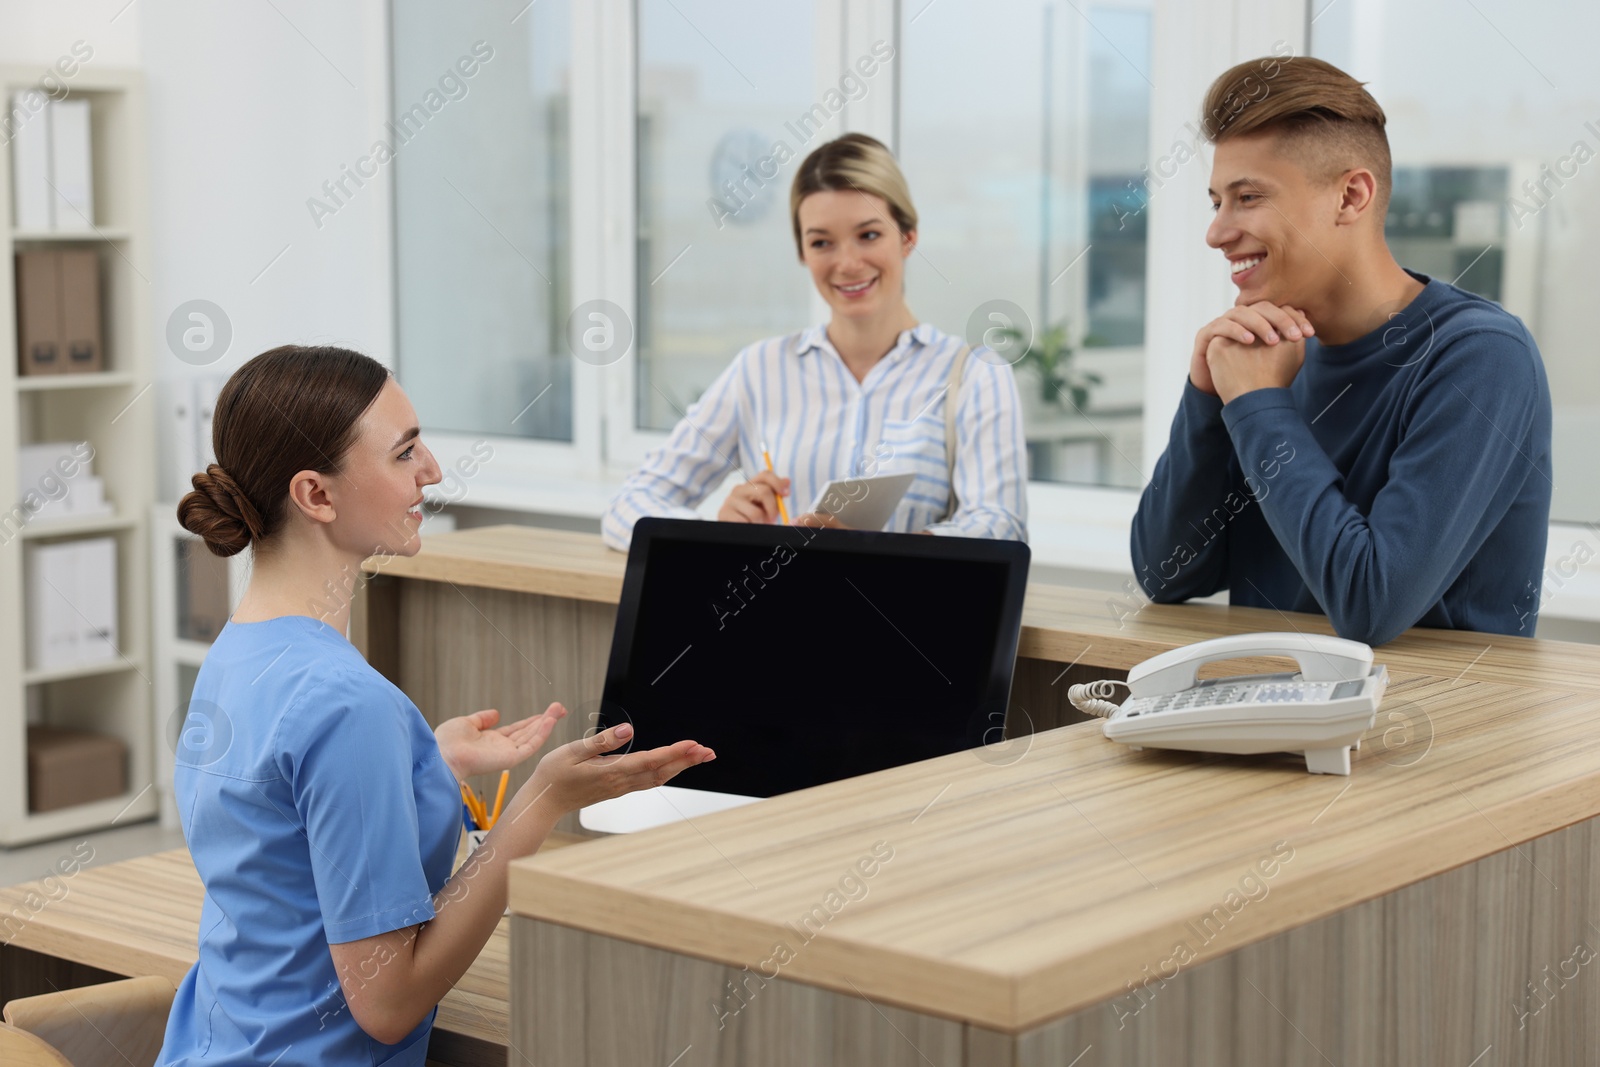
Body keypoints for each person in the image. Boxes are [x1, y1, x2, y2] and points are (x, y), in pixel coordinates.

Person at [158, 345, 714, 1066]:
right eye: (404, 453)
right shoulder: (347, 705)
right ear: (316, 496)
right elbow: (388, 1004)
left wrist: (423, 761)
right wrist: (540, 801)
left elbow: (281, 831)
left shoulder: (237, 650)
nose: (434, 471)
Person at [1130, 57, 1552, 645]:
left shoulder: (1480, 359)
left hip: (1433, 727)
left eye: (1248, 197)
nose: (1217, 232)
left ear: (1351, 196)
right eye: (1216, 201)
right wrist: (1206, 401)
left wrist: (1258, 404)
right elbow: (1164, 574)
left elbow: (1371, 606)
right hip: (1267, 712)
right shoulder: (1265, 358)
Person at [602, 133, 1028, 548]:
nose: (846, 263)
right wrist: (720, 534)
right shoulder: (760, 369)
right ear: (803, 253)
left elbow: (1002, 525)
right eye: (821, 242)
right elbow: (628, 506)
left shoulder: (974, 374)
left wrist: (886, 553)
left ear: (908, 236)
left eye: (869, 235)